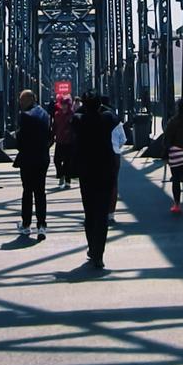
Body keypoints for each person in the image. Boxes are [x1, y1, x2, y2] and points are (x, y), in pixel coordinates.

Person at [70, 92, 125, 271]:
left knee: (90, 213)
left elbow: (73, 126)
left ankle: (92, 248)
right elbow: (118, 127)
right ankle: (99, 254)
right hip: (105, 170)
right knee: (101, 214)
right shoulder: (108, 118)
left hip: (86, 172)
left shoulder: (78, 119)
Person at [14, 87, 51, 241]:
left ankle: (26, 224)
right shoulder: (45, 114)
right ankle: (41, 225)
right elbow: (50, 136)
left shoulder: (25, 116)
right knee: (40, 192)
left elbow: (20, 141)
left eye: (21, 100)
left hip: (28, 159)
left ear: (29, 100)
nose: (19, 103)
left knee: (27, 192)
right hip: (42, 158)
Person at [52, 93, 74, 188]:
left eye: (65, 104)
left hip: (69, 141)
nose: (64, 106)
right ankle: (61, 175)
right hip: (60, 140)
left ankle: (67, 180)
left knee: (67, 162)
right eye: (62, 104)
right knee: (57, 160)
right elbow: (54, 126)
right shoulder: (57, 115)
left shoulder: (72, 115)